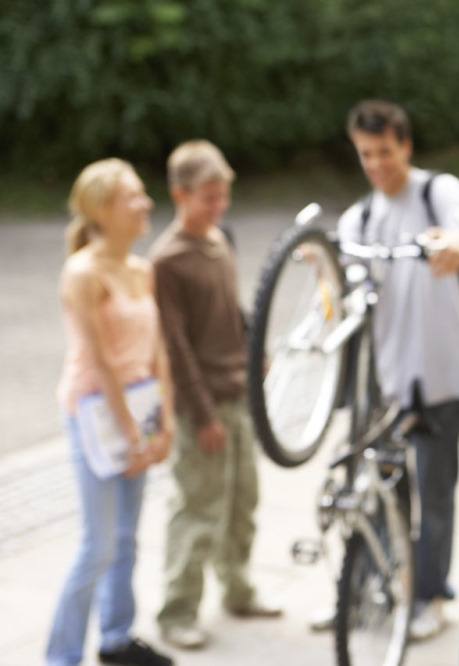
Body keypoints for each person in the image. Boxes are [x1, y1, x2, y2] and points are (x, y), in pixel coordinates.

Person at [333, 100, 459, 640]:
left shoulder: (435, 192)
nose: (376, 163)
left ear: (405, 145)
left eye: (384, 151)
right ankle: (377, 593)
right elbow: (343, 303)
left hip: (443, 379)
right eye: (365, 154)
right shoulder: (359, 218)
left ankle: (428, 596)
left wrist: (458, 244)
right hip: (388, 383)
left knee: (435, 493)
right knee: (383, 492)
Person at [151, 140, 281, 650]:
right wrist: (202, 416)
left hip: (238, 394)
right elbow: (175, 348)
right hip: (201, 406)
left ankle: (239, 589)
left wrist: (254, 353)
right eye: (208, 196)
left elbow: (232, 309)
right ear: (180, 194)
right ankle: (177, 612)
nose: (218, 205)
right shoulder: (167, 261)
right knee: (198, 510)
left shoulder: (218, 241)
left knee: (242, 502)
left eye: (223, 195)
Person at [47, 158, 175, 666]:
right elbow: (99, 363)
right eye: (134, 196)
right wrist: (134, 435)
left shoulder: (142, 269)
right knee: (97, 545)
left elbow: (158, 350)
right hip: (95, 415)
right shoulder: (83, 273)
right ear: (102, 209)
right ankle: (62, 657)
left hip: (139, 407)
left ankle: (117, 638)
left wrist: (161, 422)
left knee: (125, 540)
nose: (146, 204)